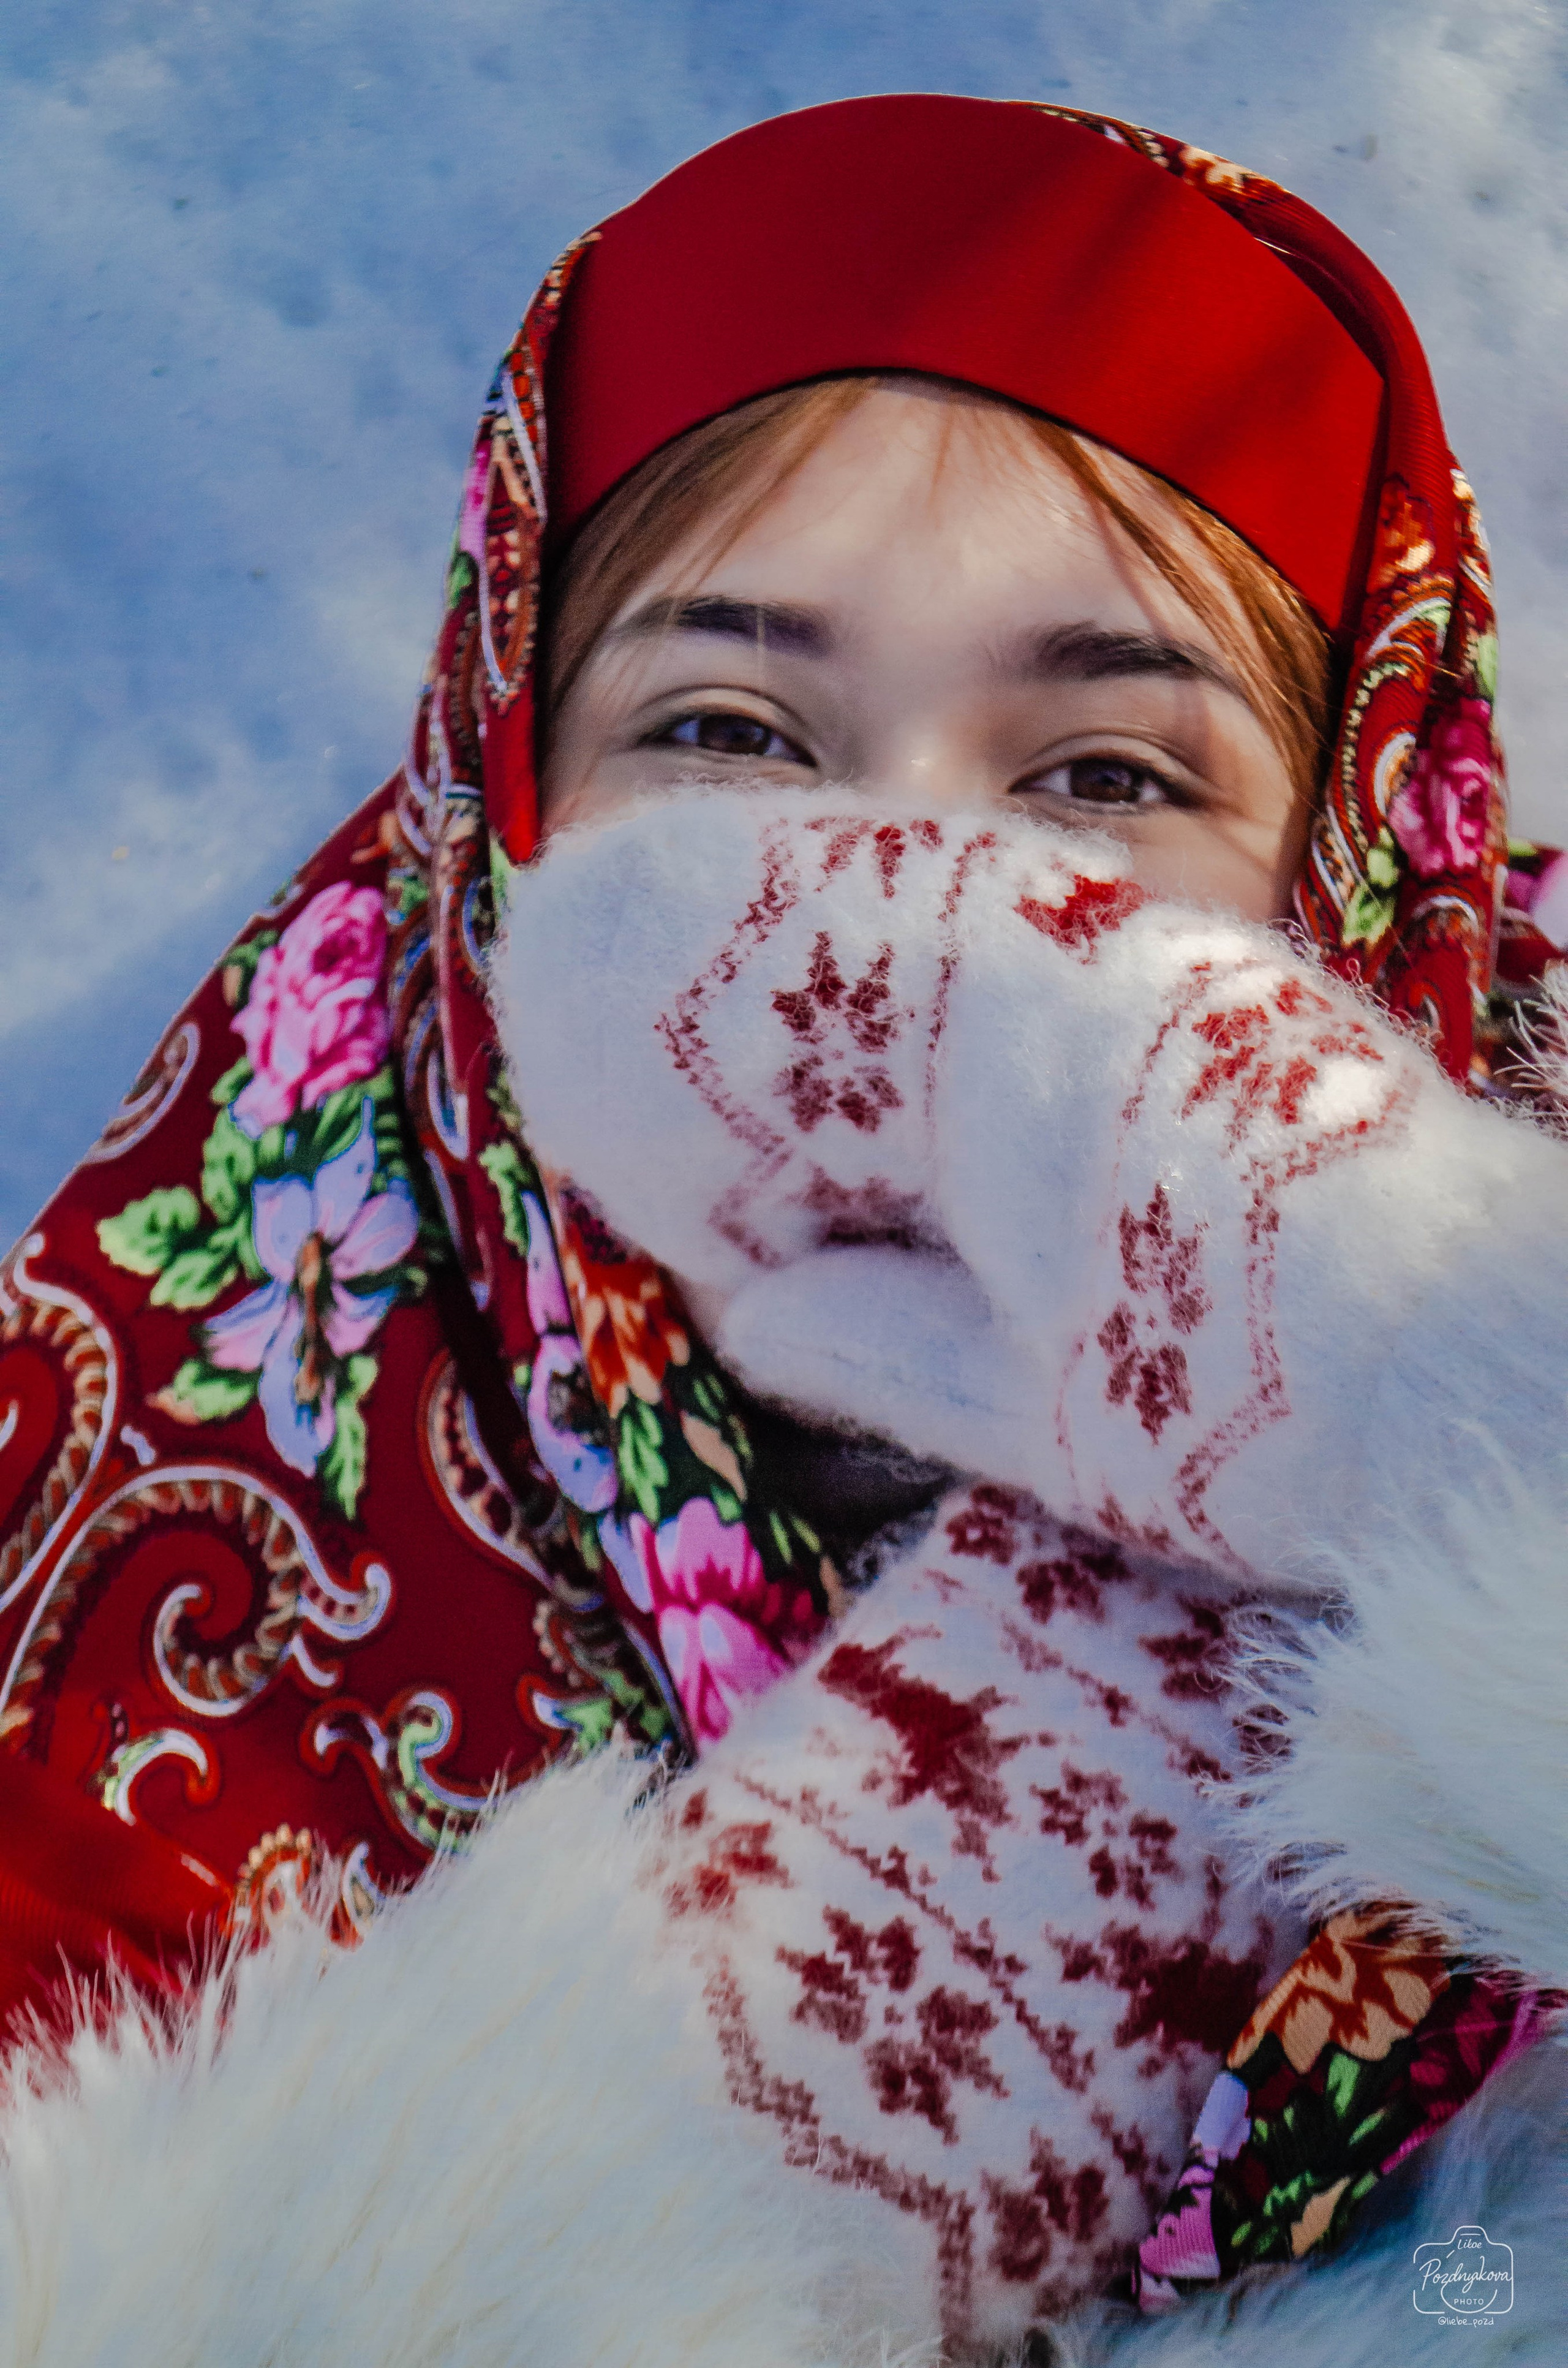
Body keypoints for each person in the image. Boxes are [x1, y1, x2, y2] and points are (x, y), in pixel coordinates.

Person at [0, 95, 1562, 2359]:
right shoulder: (123, 1593)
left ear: (1354, 853)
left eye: (1104, 778)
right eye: (731, 731)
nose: (901, 903)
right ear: (502, 811)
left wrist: (1452, 1390)